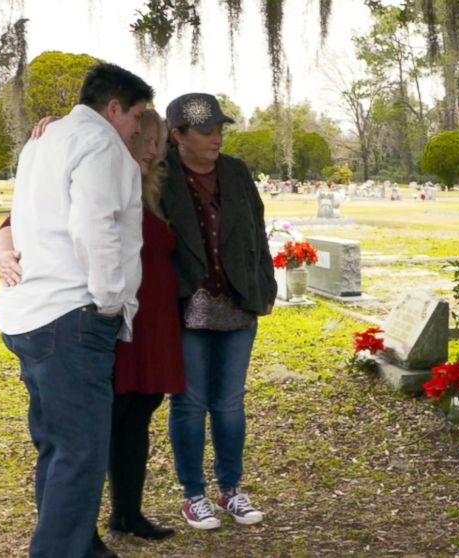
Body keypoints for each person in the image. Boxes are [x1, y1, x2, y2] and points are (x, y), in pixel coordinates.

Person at [0, 109, 183, 554]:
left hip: (151, 323)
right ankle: (79, 538)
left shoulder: (158, 187)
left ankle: (124, 513)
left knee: (134, 419)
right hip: (101, 316)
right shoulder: (94, 163)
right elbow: (18, 222)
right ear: (123, 129)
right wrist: (0, 251)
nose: (152, 149)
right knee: (83, 440)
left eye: (159, 141)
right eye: (145, 136)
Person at [161, 93, 276, 530]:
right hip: (185, 307)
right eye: (206, 131)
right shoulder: (160, 175)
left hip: (237, 304)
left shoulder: (236, 172)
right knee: (189, 404)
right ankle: (194, 495)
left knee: (229, 404)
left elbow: (257, 231)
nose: (216, 138)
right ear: (178, 135)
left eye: (219, 129)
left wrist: (265, 285)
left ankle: (231, 490)